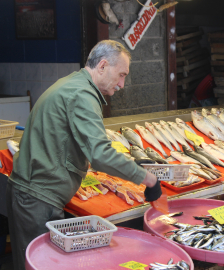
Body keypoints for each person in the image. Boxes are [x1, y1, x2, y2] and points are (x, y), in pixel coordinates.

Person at [6, 40, 162, 270]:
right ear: (102, 65)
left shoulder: (72, 83)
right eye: (121, 75)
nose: (122, 84)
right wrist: (149, 178)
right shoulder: (83, 95)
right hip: (36, 199)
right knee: (38, 265)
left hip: (32, 192)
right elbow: (100, 154)